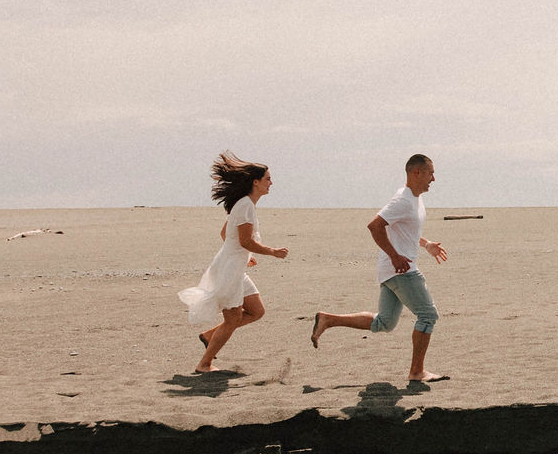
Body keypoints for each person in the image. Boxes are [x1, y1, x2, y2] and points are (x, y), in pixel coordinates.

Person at [310, 153, 449, 383]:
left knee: (384, 323)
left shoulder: (414, 199)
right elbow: (375, 226)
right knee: (427, 315)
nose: (433, 179)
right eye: (430, 173)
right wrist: (394, 256)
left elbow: (406, 231)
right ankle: (417, 372)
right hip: (401, 270)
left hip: (391, 271)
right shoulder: (403, 200)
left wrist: (427, 244)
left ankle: (328, 320)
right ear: (417, 173)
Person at [180, 153, 288, 373]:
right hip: (230, 269)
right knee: (232, 319)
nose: (271, 183)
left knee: (256, 311)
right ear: (255, 182)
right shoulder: (245, 205)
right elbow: (245, 240)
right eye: (268, 179)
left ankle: (210, 336)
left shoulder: (244, 204)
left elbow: (226, 234)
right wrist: (271, 251)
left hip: (234, 267)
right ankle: (204, 364)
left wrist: (243, 256)